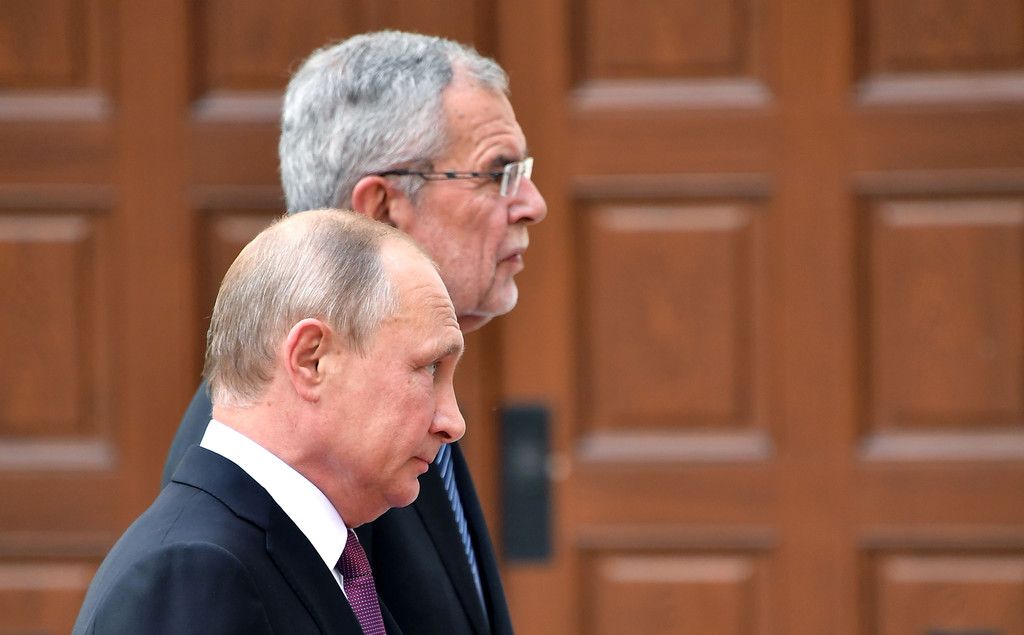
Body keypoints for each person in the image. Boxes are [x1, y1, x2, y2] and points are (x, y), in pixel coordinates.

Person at [162, 31, 547, 634]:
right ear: (383, 210)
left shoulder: (395, 396)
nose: (532, 203)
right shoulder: (287, 441)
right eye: (497, 173)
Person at [75, 209, 466, 634]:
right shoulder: (194, 572)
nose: (453, 422)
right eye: (429, 368)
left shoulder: (306, 558)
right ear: (312, 360)